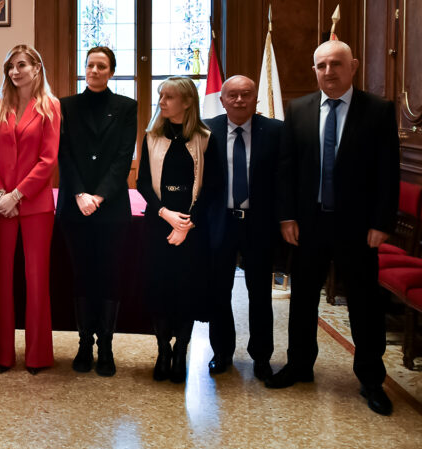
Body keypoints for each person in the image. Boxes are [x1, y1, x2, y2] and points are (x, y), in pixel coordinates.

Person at [266, 40, 400, 416]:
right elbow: (287, 169)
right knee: (303, 300)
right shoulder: (299, 109)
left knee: (364, 304)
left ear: (353, 66)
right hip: (308, 225)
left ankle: (371, 378)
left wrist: (381, 223)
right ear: (315, 70)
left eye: (336, 64)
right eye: (322, 65)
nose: (329, 71)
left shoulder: (378, 110)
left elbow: (388, 172)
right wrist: (287, 217)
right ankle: (299, 365)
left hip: (358, 228)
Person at [56, 46, 137, 377]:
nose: (94, 70)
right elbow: (63, 154)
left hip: (111, 207)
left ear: (111, 72)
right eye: (90, 65)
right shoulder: (65, 105)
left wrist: (99, 196)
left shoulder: (126, 107)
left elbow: (123, 158)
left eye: (101, 66)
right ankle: (84, 344)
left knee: (108, 274)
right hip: (74, 206)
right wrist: (79, 193)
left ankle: (105, 346)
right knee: (81, 274)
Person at [0, 44, 61, 375]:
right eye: (11, 66)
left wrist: (17, 195)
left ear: (36, 68)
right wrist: (1, 194)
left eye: (22, 65)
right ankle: (1, 354)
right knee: (0, 279)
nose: (15, 71)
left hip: (35, 205)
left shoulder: (50, 105)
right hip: (1, 205)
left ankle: (38, 355)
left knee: (36, 279)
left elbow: (48, 160)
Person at [136, 76, 221, 384]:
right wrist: (167, 215)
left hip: (192, 228)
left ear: (187, 102)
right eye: (161, 96)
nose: (161, 102)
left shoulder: (205, 138)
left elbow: (212, 186)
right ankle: (163, 351)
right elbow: (142, 183)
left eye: (168, 97)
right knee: (160, 288)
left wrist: (186, 223)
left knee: (187, 291)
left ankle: (181, 352)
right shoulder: (151, 137)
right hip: (158, 225)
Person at [205, 75, 282, 381]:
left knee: (260, 294)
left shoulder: (275, 131)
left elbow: (284, 179)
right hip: (220, 222)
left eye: (246, 94)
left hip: (259, 224)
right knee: (218, 292)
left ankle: (261, 357)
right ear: (222, 100)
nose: (239, 100)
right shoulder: (206, 130)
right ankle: (221, 352)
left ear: (255, 99)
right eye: (233, 95)